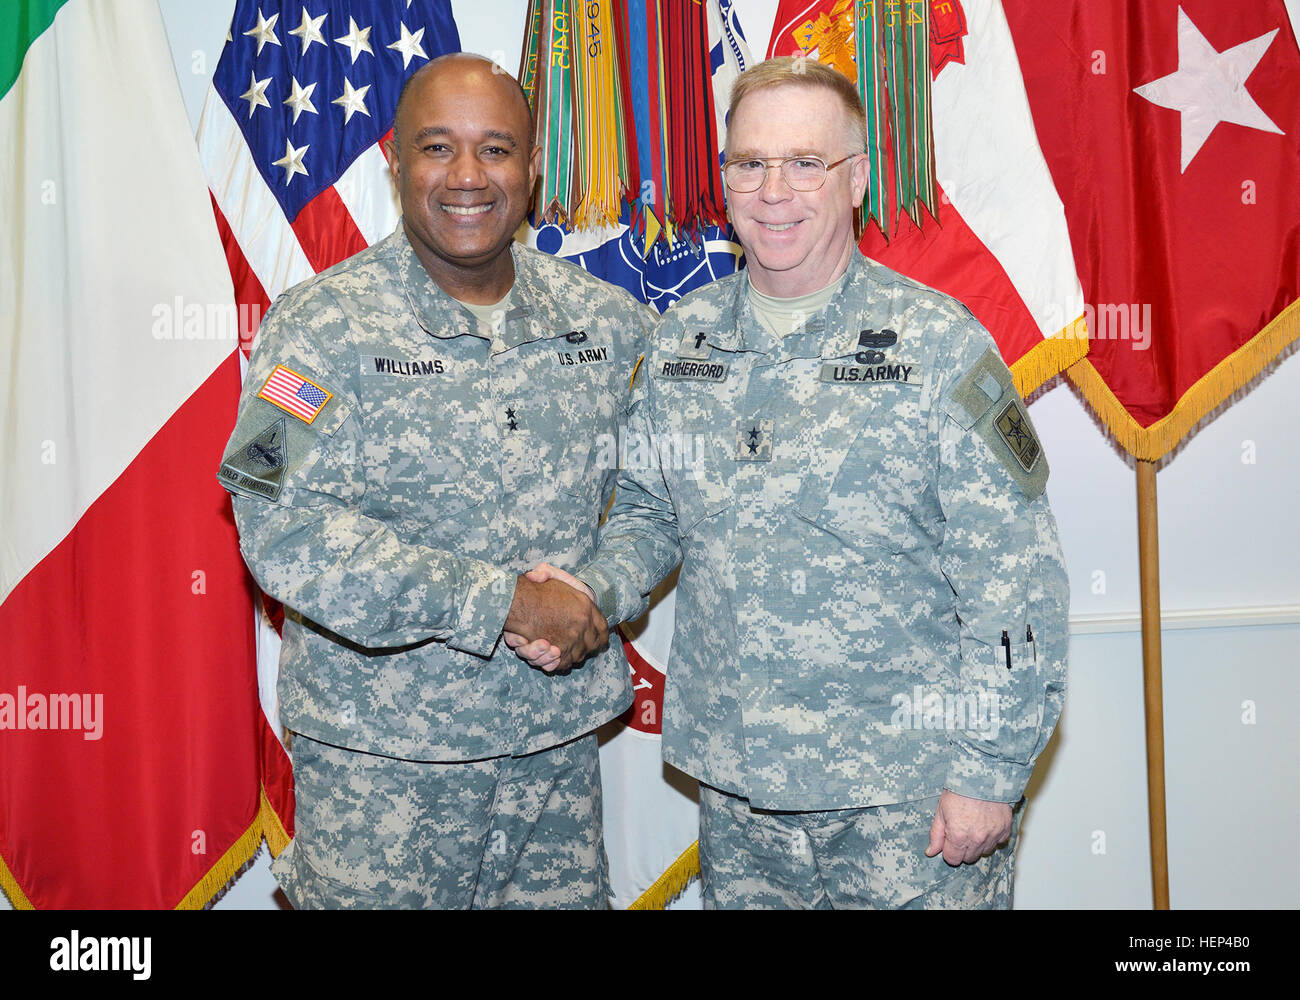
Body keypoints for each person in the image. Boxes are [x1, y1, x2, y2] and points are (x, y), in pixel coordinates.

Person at [513, 57, 1069, 909]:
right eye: (749, 162)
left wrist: (990, 770)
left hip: (907, 797)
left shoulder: (938, 345)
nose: (774, 189)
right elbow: (651, 511)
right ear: (724, 175)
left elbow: (1015, 581)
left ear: (857, 181)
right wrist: (589, 588)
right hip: (743, 794)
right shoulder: (685, 340)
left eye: (806, 163)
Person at [216, 53, 640, 909]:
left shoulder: (607, 324)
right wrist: (501, 603)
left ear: (531, 165)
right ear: (394, 165)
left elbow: (656, 499)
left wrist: (600, 589)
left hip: (552, 765)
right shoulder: (317, 328)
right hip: (381, 777)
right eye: (437, 148)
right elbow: (278, 524)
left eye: (495, 149)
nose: (468, 177)